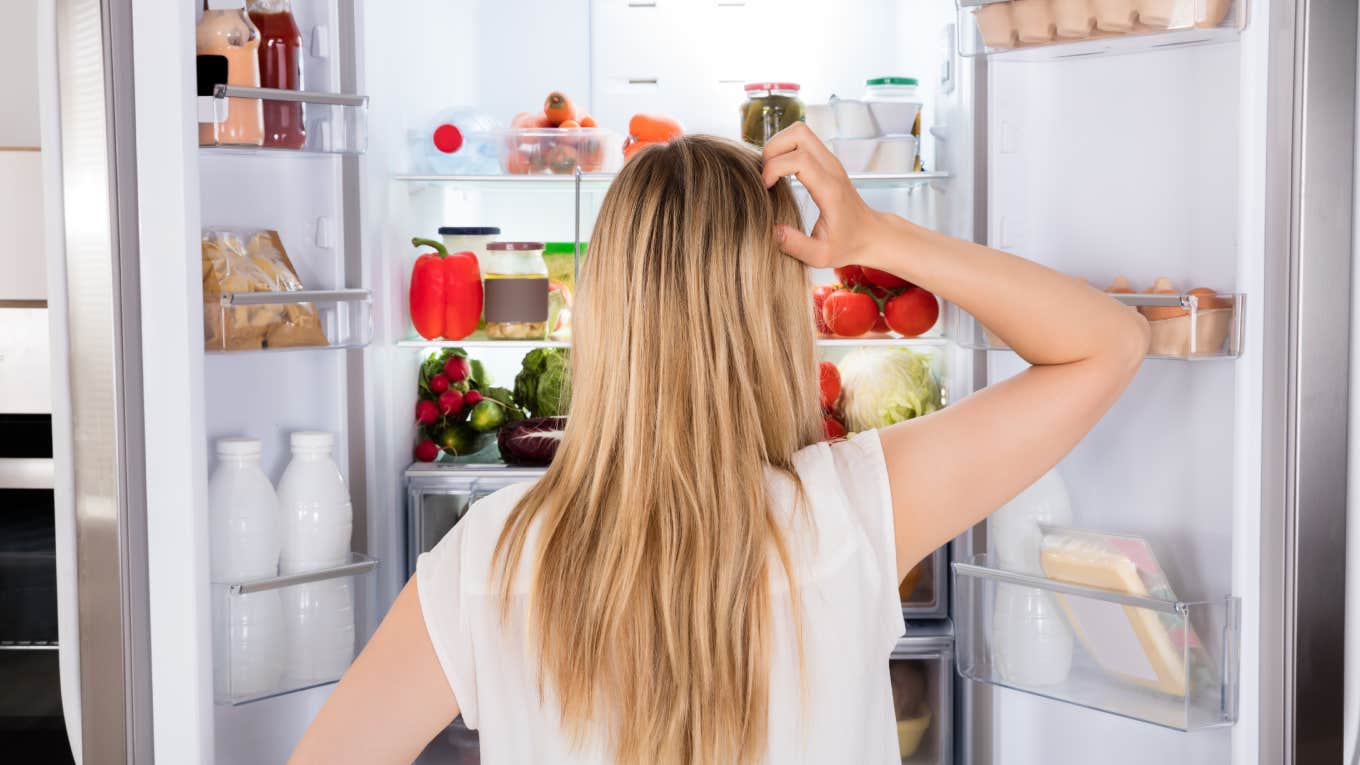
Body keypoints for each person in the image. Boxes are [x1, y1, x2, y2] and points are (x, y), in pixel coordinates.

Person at [288, 125, 1149, 765]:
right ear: (777, 314)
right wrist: (877, 237)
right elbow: (1108, 342)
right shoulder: (852, 509)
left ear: (607, 310)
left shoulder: (487, 557)